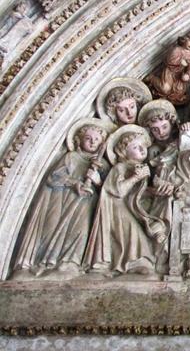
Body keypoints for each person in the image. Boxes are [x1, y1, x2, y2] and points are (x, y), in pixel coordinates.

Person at [12, 119, 114, 278]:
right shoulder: (71, 157)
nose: (93, 142)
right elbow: (54, 178)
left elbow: (111, 193)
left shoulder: (103, 165)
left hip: (88, 206)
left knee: (80, 231)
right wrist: (75, 183)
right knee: (56, 230)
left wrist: (98, 181)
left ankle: (71, 262)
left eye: (97, 139)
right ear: (78, 140)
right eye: (88, 138)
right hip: (64, 202)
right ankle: (50, 262)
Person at [83, 125, 160, 276]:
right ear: (124, 151)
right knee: (132, 230)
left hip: (132, 207)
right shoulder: (120, 167)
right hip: (116, 208)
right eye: (135, 147)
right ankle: (133, 262)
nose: (142, 149)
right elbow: (118, 191)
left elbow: (139, 193)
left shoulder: (140, 167)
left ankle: (136, 262)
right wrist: (135, 177)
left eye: (143, 146)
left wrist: (155, 192)